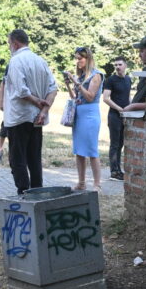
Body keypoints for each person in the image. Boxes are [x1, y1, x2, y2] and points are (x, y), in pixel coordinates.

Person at [3, 29, 57, 195]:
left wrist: (38, 103)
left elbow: (21, 91)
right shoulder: (40, 61)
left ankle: (24, 191)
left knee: (17, 157)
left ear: (15, 43)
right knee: (34, 157)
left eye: (9, 44)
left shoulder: (16, 61)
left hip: (19, 116)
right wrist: (43, 110)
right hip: (36, 117)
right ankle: (37, 189)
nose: (9, 47)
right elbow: (53, 88)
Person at [65, 47, 103, 191]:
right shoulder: (80, 77)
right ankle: (81, 183)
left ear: (88, 59)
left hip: (90, 114)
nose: (77, 61)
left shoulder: (96, 75)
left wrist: (76, 83)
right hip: (79, 115)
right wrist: (69, 84)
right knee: (79, 150)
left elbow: (90, 96)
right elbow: (75, 97)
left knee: (92, 150)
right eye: (76, 58)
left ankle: (97, 184)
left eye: (80, 58)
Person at [101, 56, 131, 181]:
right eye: (116, 65)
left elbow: (127, 97)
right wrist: (120, 109)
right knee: (114, 144)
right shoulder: (110, 80)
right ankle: (114, 172)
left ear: (125, 66)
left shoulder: (128, 79)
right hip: (114, 116)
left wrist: (127, 112)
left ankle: (119, 170)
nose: (117, 67)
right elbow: (106, 98)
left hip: (124, 115)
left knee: (121, 143)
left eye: (120, 64)